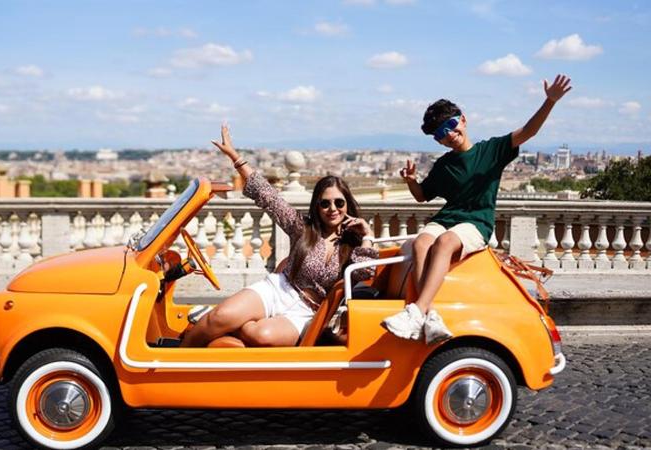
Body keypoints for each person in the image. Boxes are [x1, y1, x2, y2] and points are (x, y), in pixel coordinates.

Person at [382, 74, 573, 344]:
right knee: (422, 243)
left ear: (463, 119)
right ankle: (430, 315)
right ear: (438, 141)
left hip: (476, 223)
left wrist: (549, 101)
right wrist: (411, 181)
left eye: (450, 125)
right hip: (447, 218)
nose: (449, 135)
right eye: (440, 134)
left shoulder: (491, 150)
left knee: (444, 242)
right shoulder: (444, 165)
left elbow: (528, 131)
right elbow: (422, 196)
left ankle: (418, 311)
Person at [181, 124, 379, 347]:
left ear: (347, 204)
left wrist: (367, 235)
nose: (332, 209)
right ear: (317, 206)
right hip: (278, 289)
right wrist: (235, 156)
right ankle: (177, 357)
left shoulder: (353, 245)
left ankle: (236, 324)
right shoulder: (304, 228)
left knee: (260, 335)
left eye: (339, 203)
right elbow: (269, 197)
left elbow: (364, 272)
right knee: (218, 318)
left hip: (306, 313)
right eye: (325, 203)